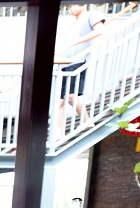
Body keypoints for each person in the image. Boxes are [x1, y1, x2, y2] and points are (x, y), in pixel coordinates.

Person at [57, 4, 105, 132]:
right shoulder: (73, 24)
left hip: (79, 60)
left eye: (74, 4)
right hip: (67, 62)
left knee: (71, 96)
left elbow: (100, 30)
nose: (70, 8)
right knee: (61, 100)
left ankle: (87, 121)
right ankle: (57, 133)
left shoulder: (92, 14)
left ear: (84, 3)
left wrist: (74, 43)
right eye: (68, 6)